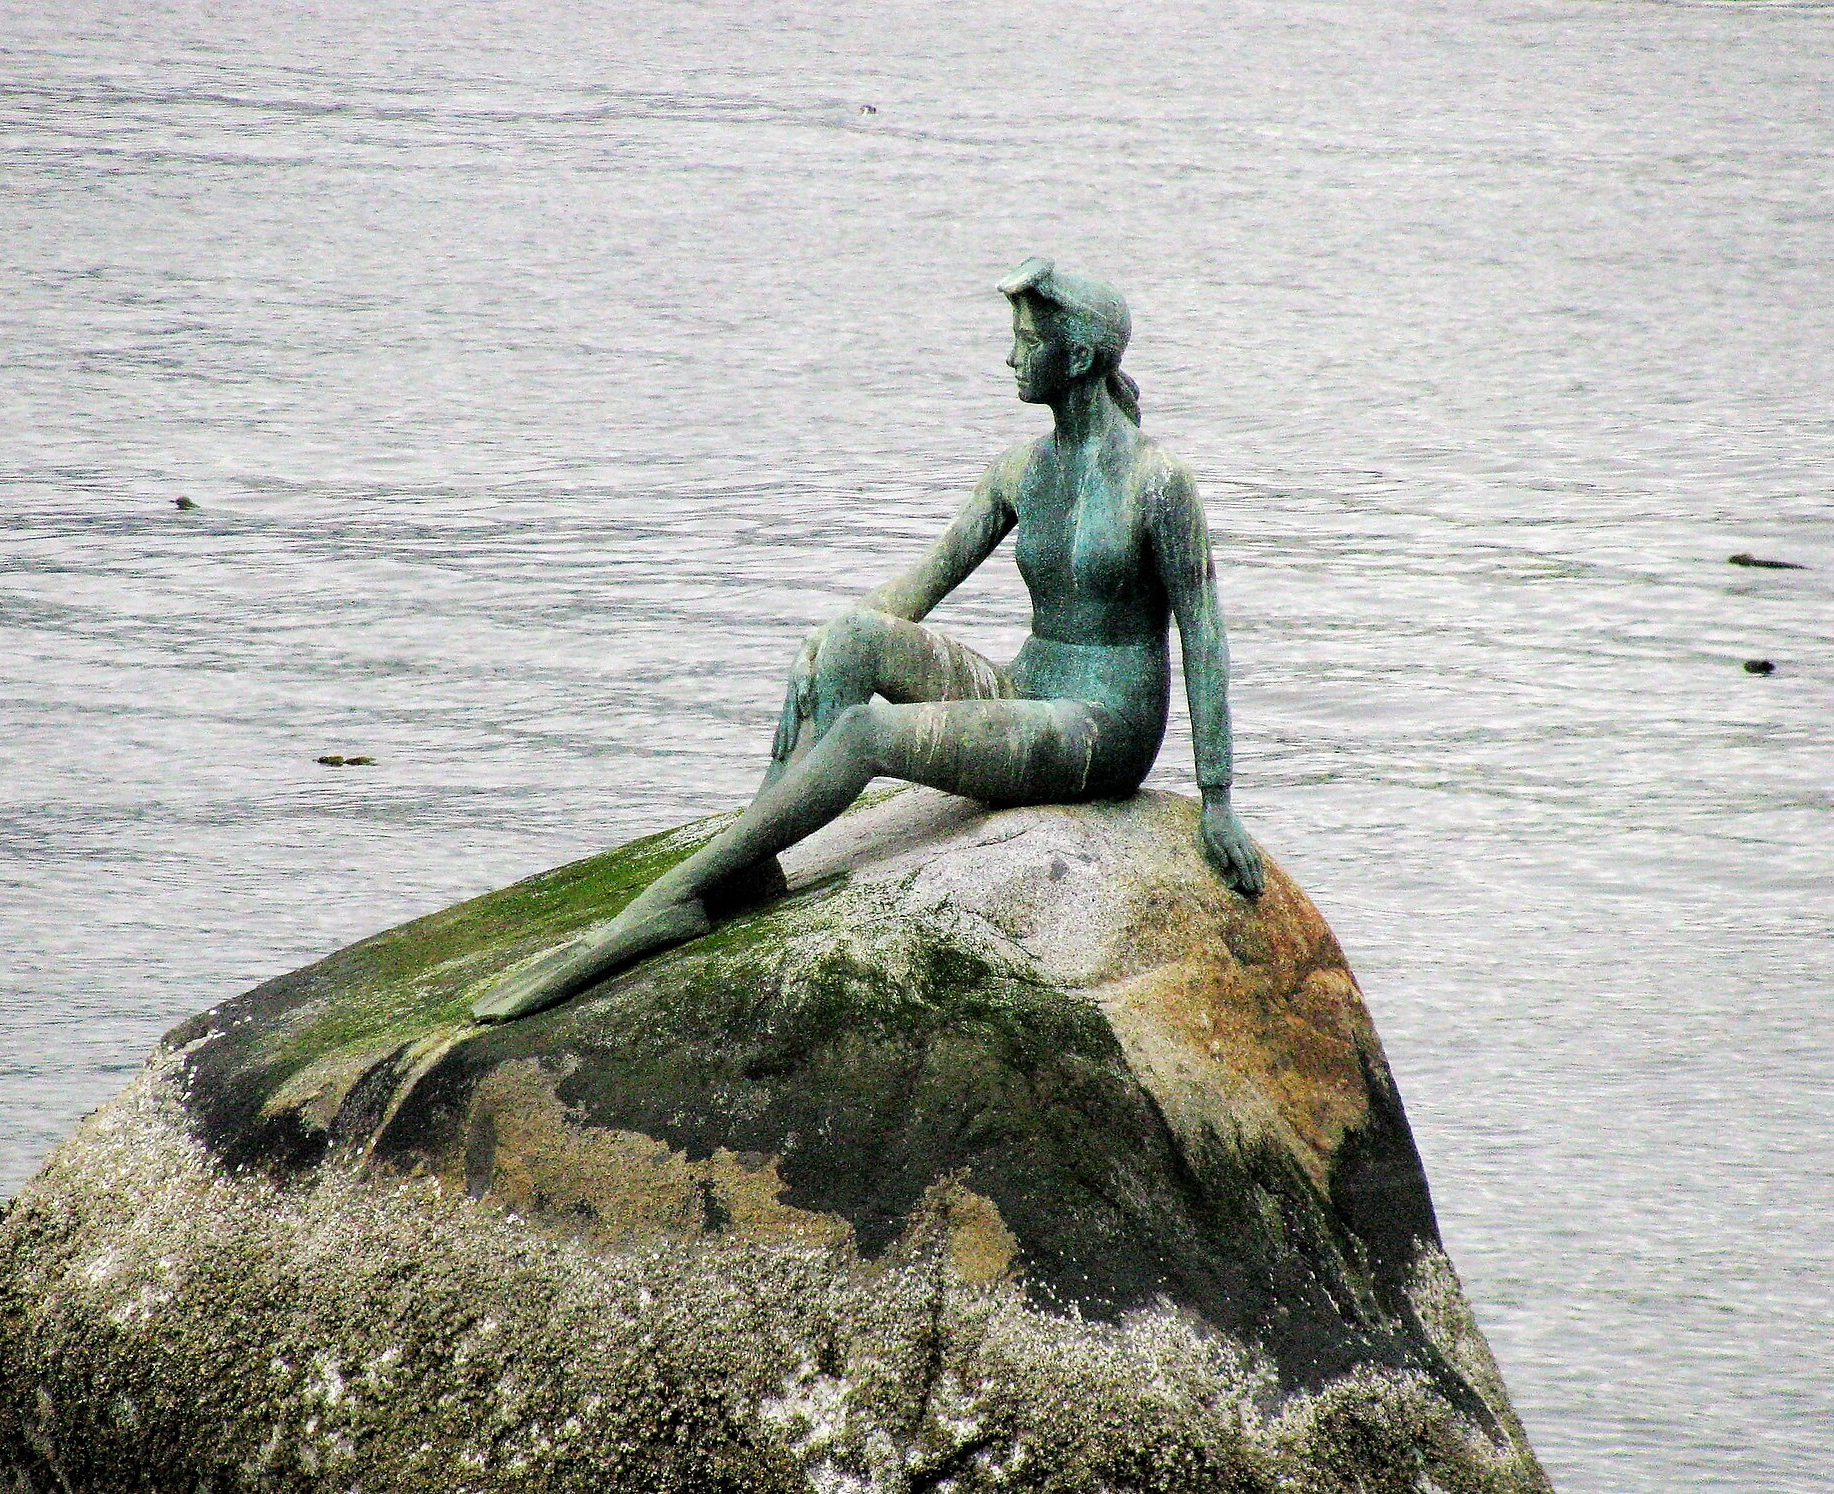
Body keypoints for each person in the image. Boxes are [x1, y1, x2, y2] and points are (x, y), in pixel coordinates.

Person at [474, 257, 1261, 1023]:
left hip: (1102, 727)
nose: (1010, 357)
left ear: (1079, 357)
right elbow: (917, 590)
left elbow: (1205, 636)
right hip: (1028, 687)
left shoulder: (1157, 482)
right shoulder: (1022, 469)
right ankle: (751, 864)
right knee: (851, 641)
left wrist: (1217, 797)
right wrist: (823, 644)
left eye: (1027, 341)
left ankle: (674, 897)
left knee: (866, 734)